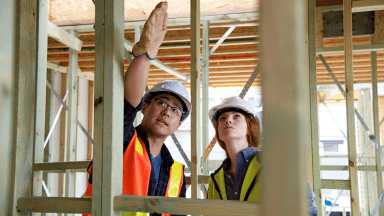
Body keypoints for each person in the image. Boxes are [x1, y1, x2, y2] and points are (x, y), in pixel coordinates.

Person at [84, 2, 190, 216]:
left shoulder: (176, 173)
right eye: (162, 102)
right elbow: (125, 106)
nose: (167, 111)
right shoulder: (124, 140)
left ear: (178, 125)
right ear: (145, 106)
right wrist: (145, 55)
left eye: (176, 110)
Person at [207, 96, 317, 216]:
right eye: (222, 118)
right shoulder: (215, 179)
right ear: (218, 131)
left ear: (249, 127)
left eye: (236, 116)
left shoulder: (274, 162)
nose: (228, 121)